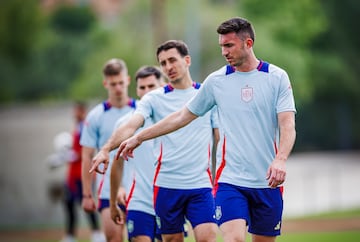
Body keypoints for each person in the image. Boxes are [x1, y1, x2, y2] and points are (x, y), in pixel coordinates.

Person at [117, 17, 296, 242]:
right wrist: (139, 137)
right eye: (221, 46)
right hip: (230, 180)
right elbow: (182, 116)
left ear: (248, 44)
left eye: (229, 45)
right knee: (234, 239)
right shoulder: (216, 81)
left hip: (267, 181)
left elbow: (287, 124)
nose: (224, 52)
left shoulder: (277, 77)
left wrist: (280, 159)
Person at [89, 40, 219, 242]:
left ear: (187, 60)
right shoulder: (154, 99)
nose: (168, 67)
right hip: (167, 186)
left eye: (172, 60)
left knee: (208, 238)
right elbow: (131, 125)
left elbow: (219, 139)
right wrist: (106, 149)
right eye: (163, 63)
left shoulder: (205, 95)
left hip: (200, 185)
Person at [81, 58, 136, 242]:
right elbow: (87, 156)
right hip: (107, 191)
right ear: (106, 84)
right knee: (114, 238)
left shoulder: (141, 111)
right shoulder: (96, 115)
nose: (118, 88)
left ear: (128, 80)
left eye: (121, 82)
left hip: (139, 187)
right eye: (113, 84)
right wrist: (87, 194)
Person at [110, 66, 165, 242]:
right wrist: (117, 191)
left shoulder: (174, 120)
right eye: (142, 87)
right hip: (138, 201)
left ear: (162, 85)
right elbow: (117, 164)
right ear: (136, 90)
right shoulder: (125, 123)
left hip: (168, 200)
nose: (147, 91)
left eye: (151, 86)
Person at [59, 101, 104, 242]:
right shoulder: (77, 128)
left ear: (83, 112)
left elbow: (86, 151)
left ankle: (97, 233)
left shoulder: (85, 127)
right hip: (72, 175)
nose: (75, 114)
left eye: (78, 111)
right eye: (75, 111)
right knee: (69, 204)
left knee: (87, 203)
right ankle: (70, 235)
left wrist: (69, 156)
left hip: (82, 175)